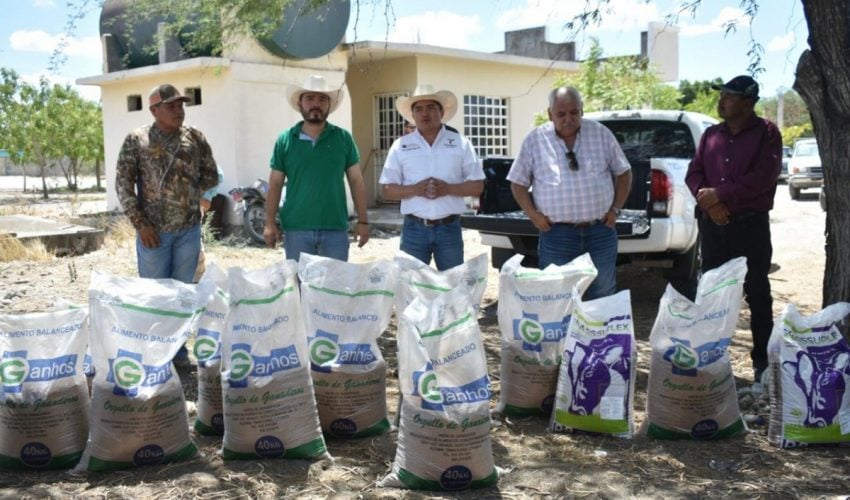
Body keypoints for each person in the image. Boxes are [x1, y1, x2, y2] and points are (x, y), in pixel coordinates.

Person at [685, 75, 782, 384]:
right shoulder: (711, 135)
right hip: (714, 226)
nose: (722, 100)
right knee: (712, 292)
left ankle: (762, 364)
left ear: (748, 102)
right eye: (722, 95)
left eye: (729, 96)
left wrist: (722, 195)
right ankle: (710, 362)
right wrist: (711, 205)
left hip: (750, 226)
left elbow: (764, 177)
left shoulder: (767, 133)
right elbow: (694, 174)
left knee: (757, 292)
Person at [115, 83, 219, 365]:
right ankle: (154, 353)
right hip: (154, 233)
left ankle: (179, 351)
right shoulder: (137, 140)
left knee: (183, 291)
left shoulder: (195, 138)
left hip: (188, 230)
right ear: (154, 110)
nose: (178, 110)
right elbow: (123, 186)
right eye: (171, 105)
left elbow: (211, 174)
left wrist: (194, 195)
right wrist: (141, 224)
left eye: (181, 105)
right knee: (155, 292)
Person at [507, 86, 632, 300]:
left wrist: (616, 209)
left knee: (601, 293)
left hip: (600, 232)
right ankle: (564, 335)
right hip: (557, 235)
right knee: (557, 296)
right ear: (550, 114)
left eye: (574, 112)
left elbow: (624, 172)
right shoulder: (535, 140)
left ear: (582, 110)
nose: (568, 119)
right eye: (561, 114)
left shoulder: (601, 133)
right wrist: (534, 216)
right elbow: (517, 183)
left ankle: (597, 334)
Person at [264, 75, 369, 261]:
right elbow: (275, 183)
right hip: (297, 229)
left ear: (329, 105)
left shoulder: (343, 139)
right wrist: (270, 222)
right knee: (301, 286)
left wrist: (363, 221)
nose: (316, 104)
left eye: (322, 99)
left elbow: (356, 181)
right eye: (310, 98)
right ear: (299, 103)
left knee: (334, 288)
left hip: (335, 229)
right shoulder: (285, 140)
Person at [379, 84, 484, 270]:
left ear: (441, 112)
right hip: (414, 229)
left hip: (449, 229)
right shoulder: (400, 146)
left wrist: (449, 188)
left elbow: (477, 186)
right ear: (413, 115)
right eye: (418, 109)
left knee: (451, 287)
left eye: (430, 108)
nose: (424, 113)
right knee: (411, 287)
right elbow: (387, 190)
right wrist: (415, 189)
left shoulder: (461, 143)